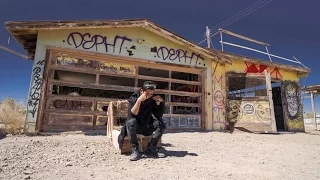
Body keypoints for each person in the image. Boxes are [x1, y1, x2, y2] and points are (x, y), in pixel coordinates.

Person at [118, 81, 166, 161]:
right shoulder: (133, 98)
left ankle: (151, 148)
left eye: (151, 94)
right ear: (141, 91)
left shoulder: (151, 100)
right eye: (147, 94)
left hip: (146, 126)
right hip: (134, 128)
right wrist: (139, 100)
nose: (148, 96)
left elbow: (158, 115)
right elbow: (133, 114)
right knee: (130, 122)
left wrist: (161, 103)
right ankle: (135, 150)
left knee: (161, 123)